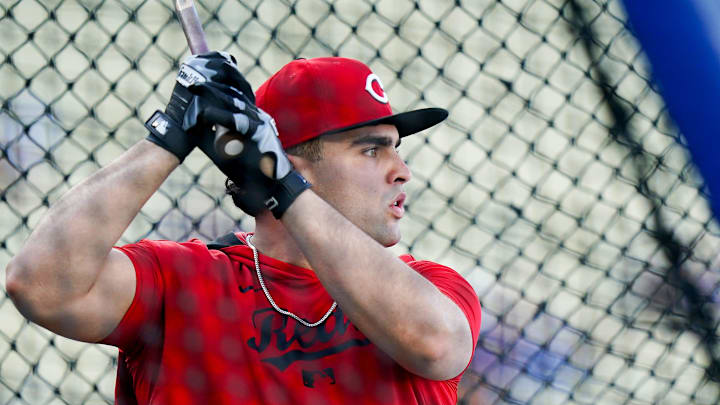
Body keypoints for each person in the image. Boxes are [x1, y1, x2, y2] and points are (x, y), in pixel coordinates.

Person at [6, 52, 481, 404]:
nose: (402, 171)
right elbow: (40, 287)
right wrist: (171, 135)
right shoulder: (183, 278)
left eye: (398, 149)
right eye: (371, 149)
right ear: (297, 163)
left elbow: (436, 346)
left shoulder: (432, 287)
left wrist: (284, 187)